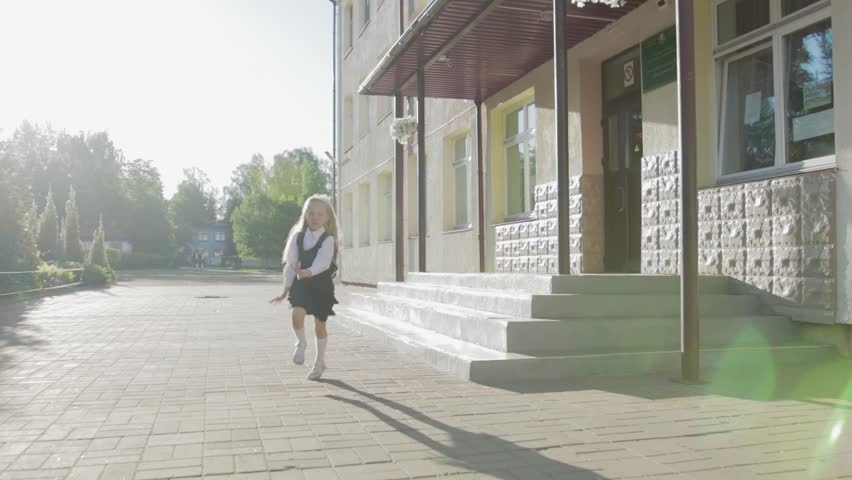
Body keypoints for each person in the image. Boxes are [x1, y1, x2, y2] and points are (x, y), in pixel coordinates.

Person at [270, 194, 339, 380]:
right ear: (305, 215)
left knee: (320, 326)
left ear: (327, 218)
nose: (315, 217)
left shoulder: (328, 240)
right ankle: (301, 343)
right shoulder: (297, 237)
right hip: (301, 285)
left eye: (320, 214)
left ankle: (319, 362)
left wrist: (307, 272)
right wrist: (285, 290)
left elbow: (322, 263)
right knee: (296, 317)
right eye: (311, 213)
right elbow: (291, 264)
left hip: (320, 286)